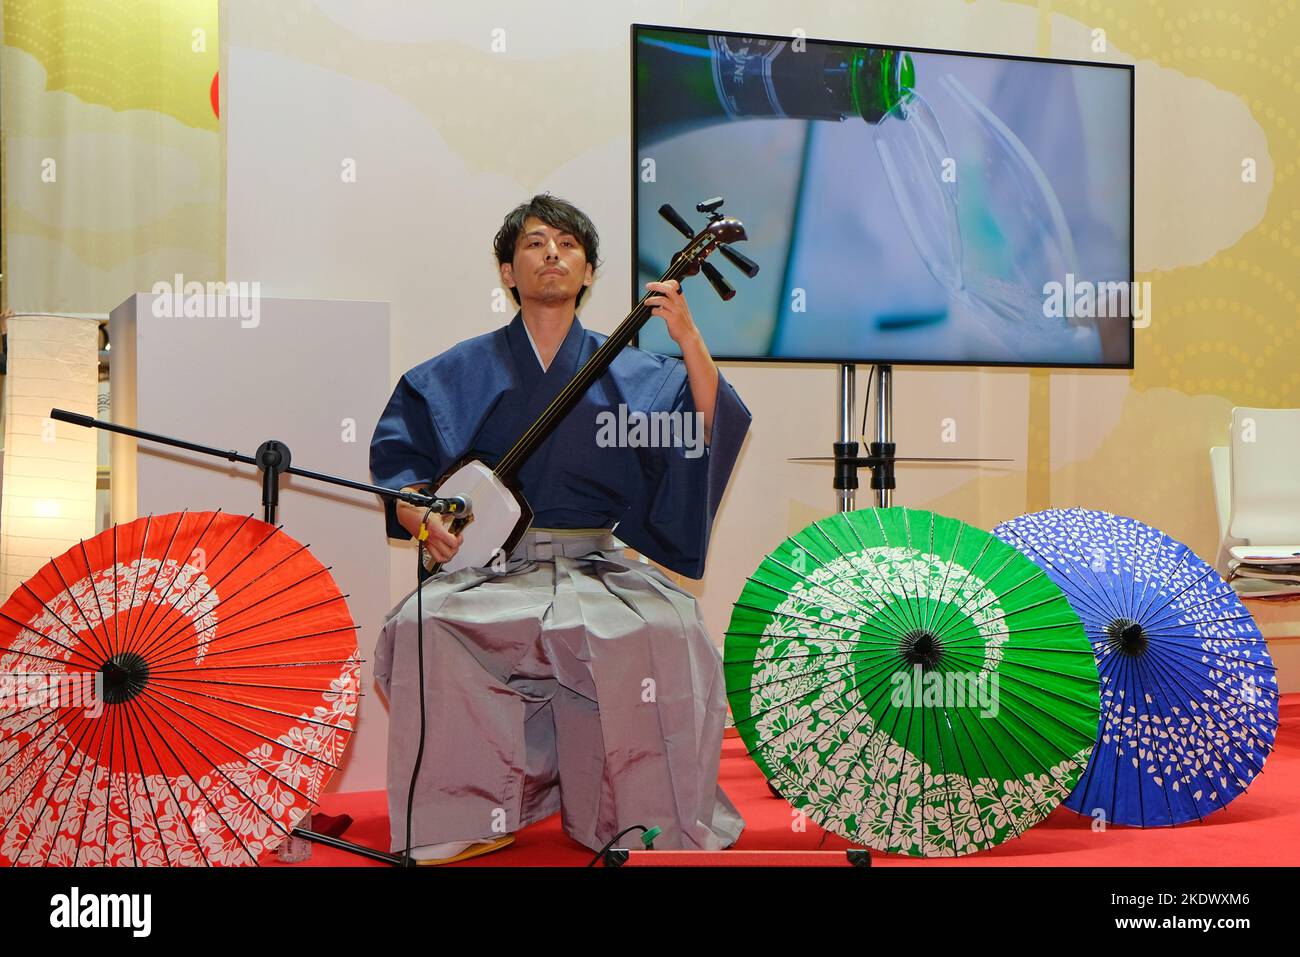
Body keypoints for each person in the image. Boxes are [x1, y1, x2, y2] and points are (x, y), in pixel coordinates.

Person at [369, 193, 750, 864]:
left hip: (596, 566)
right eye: (536, 242)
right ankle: (468, 812)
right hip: (494, 570)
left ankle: (638, 822)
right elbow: (405, 474)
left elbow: (706, 425)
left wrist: (687, 336)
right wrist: (422, 515)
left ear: (589, 272)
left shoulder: (633, 369)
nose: (553, 252)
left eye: (569, 244)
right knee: (423, 626)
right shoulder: (455, 372)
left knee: (670, 630)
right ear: (508, 272)